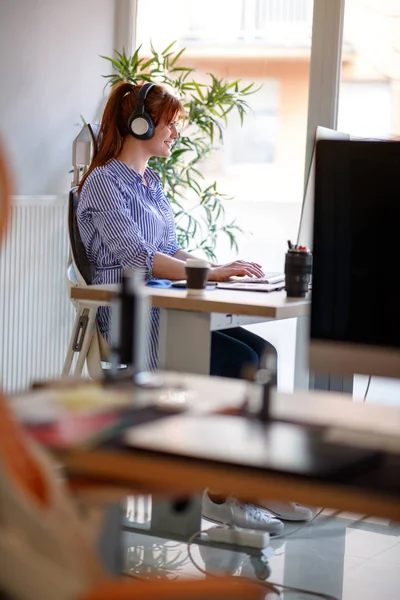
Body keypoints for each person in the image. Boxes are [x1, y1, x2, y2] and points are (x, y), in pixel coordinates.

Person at [77, 81, 312, 532]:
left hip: (165, 307)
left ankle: (250, 481)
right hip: (133, 315)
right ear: (139, 124)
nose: (175, 133)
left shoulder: (150, 181)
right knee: (240, 363)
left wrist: (218, 267)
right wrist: (213, 275)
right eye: (170, 123)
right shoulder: (105, 182)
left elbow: (171, 248)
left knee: (263, 357)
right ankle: (220, 494)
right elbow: (138, 257)